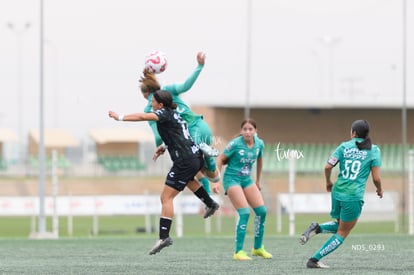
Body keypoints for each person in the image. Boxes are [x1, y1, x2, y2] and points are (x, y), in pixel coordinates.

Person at [108, 90, 220, 255]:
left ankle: (164, 237)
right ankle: (210, 203)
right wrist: (164, 147)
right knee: (189, 180)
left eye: (153, 101)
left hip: (185, 160)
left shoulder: (163, 113)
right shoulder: (174, 114)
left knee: (166, 197)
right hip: (195, 156)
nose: (151, 104)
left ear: (160, 105)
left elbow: (142, 117)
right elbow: (180, 135)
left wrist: (120, 117)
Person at [299, 119, 383, 269]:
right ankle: (314, 259)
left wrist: (328, 182)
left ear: (354, 133)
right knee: (343, 231)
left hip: (337, 192)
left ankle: (317, 228)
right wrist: (379, 189)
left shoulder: (344, 146)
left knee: (340, 224)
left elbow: (327, 167)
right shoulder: (374, 150)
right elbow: (376, 178)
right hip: (353, 196)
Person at [140, 52, 219, 193]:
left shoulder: (149, 109)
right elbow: (186, 85)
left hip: (189, 137)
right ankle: (207, 156)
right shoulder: (168, 90)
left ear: (145, 94)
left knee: (192, 167)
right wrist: (200, 66)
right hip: (202, 126)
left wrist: (162, 147)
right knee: (214, 177)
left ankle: (207, 195)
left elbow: (158, 136)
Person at [211, 118, 273, 260]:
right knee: (244, 213)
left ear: (255, 131)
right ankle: (238, 252)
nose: (247, 132)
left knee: (262, 211)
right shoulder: (234, 144)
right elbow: (220, 159)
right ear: (241, 131)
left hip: (247, 180)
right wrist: (216, 181)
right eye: (244, 129)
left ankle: (257, 248)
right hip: (232, 180)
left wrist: (257, 180)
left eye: (250, 129)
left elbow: (260, 160)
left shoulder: (259, 144)